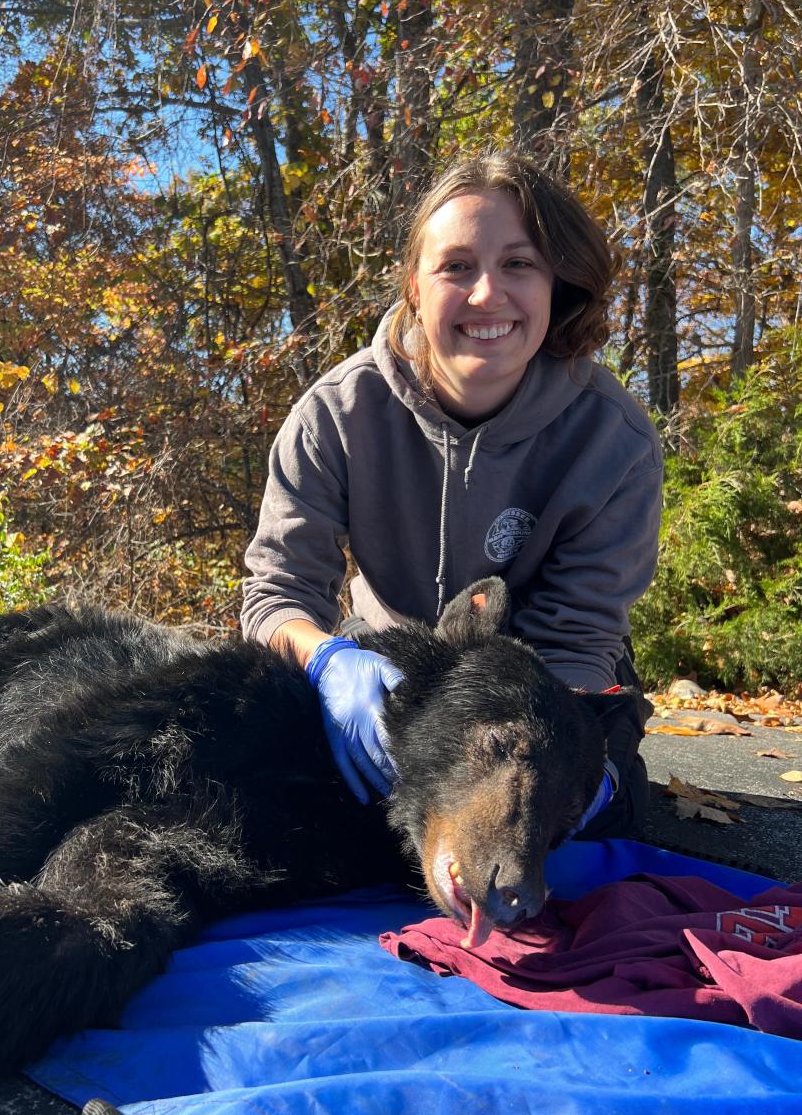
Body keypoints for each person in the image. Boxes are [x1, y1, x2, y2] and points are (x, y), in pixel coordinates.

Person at [240, 151, 662, 835]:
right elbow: (276, 595)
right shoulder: (334, 414)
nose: (486, 294)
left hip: (545, 680)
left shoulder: (614, 441)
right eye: (456, 266)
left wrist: (531, 768)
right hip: (384, 666)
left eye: (519, 265)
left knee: (586, 826)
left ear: (559, 284)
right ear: (414, 287)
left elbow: (579, 637)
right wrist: (327, 660)